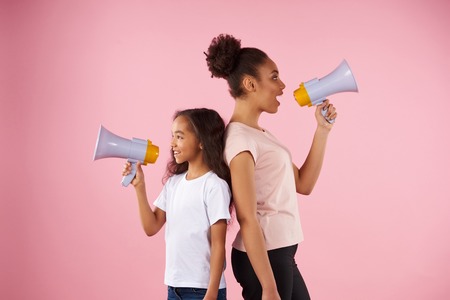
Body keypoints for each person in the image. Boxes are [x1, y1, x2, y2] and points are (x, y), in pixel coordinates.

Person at [204, 34, 337, 300]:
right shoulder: (240, 141)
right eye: (274, 77)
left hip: (281, 252)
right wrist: (268, 287)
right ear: (250, 84)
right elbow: (247, 217)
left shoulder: (259, 135)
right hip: (265, 258)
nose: (283, 85)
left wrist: (322, 131)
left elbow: (304, 184)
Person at [122, 108, 232, 300]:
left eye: (180, 137)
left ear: (201, 141)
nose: (172, 143)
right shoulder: (174, 184)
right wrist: (140, 187)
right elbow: (151, 226)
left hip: (202, 290)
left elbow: (218, 244)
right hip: (174, 287)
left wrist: (212, 293)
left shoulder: (214, 186)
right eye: (173, 136)